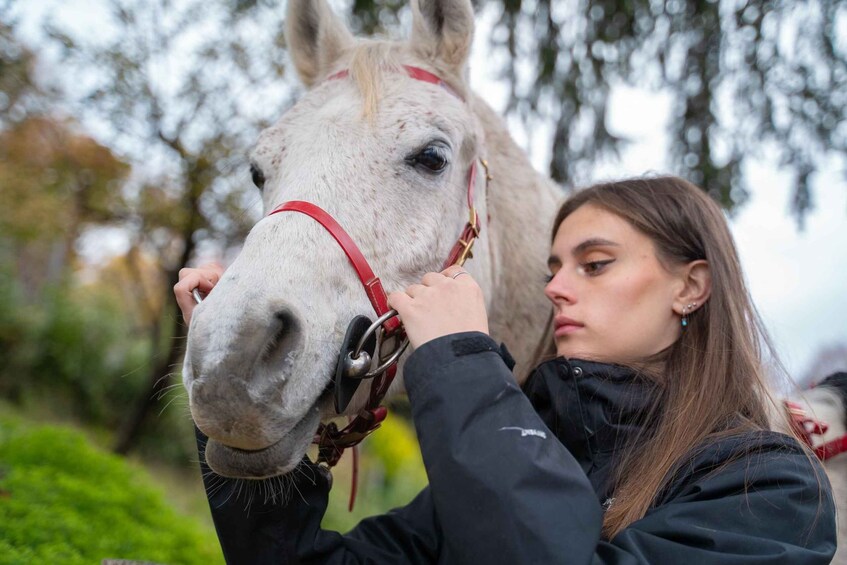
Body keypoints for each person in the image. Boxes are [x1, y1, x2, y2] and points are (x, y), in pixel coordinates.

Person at [175, 176, 836, 564]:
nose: (555, 288)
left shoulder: (769, 487)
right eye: (553, 268)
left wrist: (459, 358)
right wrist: (241, 378)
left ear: (689, 286)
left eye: (594, 263)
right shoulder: (523, 452)